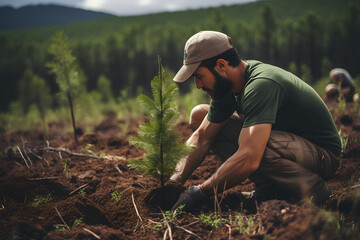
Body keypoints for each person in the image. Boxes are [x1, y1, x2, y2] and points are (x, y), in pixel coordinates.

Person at [170, 31, 341, 211]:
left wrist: (198, 193)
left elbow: (250, 157)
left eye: (200, 76)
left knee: (255, 147)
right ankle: (268, 191)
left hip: (323, 155)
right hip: (290, 146)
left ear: (221, 65)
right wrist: (173, 183)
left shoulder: (260, 84)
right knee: (200, 116)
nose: (198, 85)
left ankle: (311, 190)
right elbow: (202, 137)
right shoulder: (227, 87)